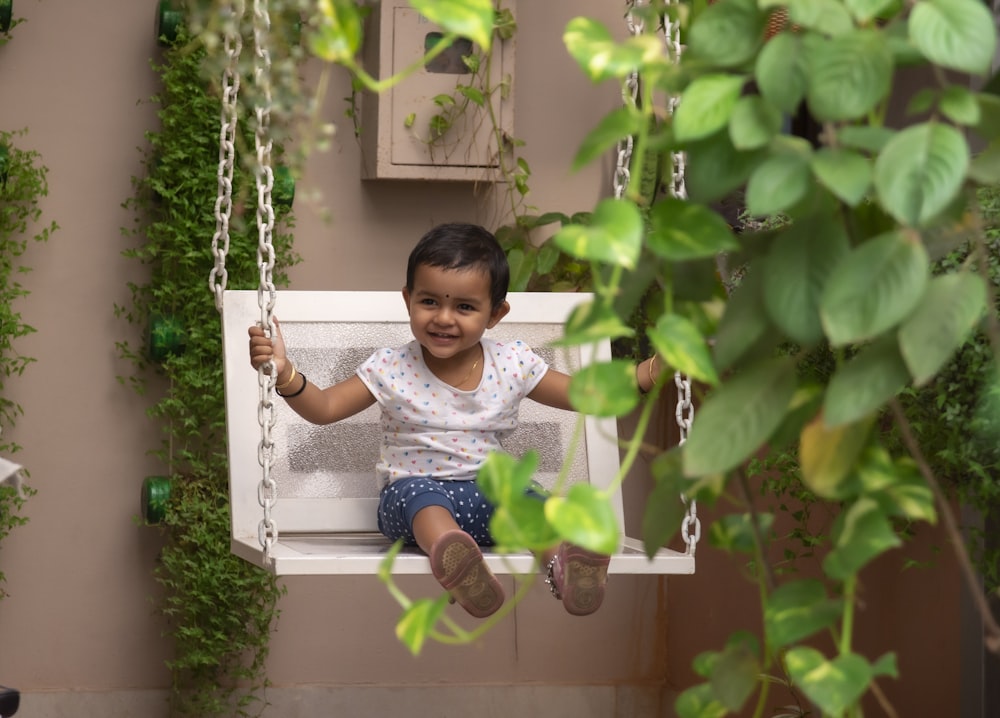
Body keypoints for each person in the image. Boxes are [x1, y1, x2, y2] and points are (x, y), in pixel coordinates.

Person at [248, 223, 664, 618]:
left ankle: (566, 563)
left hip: (493, 495)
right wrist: (285, 373)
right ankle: (455, 557)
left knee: (529, 501)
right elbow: (325, 409)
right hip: (410, 499)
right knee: (423, 500)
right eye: (430, 301)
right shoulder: (391, 367)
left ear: (496, 313)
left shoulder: (513, 363)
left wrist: (652, 370)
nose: (444, 318)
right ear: (408, 299)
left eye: (464, 307)